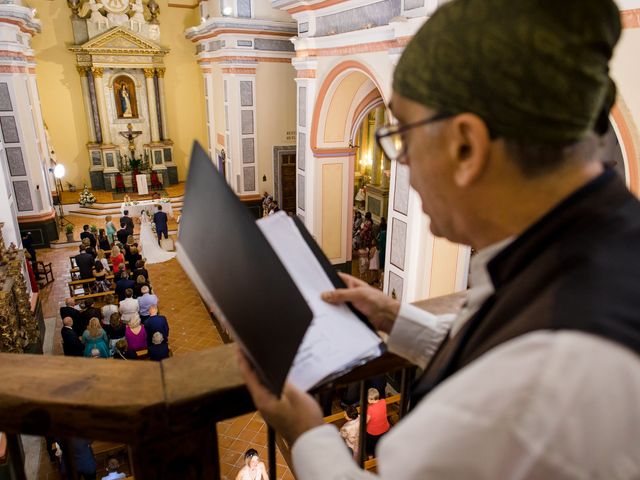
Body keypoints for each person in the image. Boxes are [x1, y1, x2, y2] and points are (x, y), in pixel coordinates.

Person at [238, 1, 640, 477]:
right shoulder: (595, 242)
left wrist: (304, 431)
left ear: (465, 146)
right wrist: (394, 318)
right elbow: (495, 357)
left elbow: (507, 387)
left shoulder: (534, 389)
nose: (400, 161)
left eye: (403, 134)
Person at [365, 388, 389, 457]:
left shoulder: (370, 409)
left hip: (373, 432)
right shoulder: (383, 401)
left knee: (370, 447)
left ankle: (370, 458)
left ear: (370, 399)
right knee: (380, 443)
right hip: (385, 428)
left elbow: (366, 421)